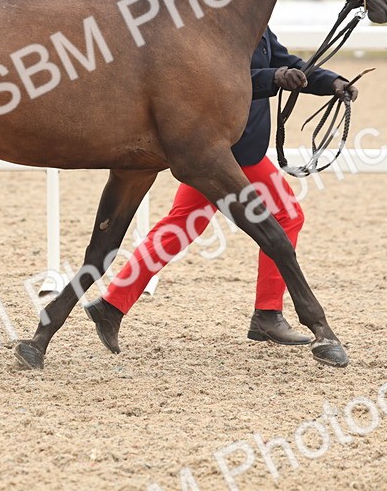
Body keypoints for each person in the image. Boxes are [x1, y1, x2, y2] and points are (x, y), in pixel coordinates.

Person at [83, 26, 359, 353]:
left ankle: (112, 305)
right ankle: (268, 314)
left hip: (222, 152)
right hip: (232, 152)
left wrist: (331, 82)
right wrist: (274, 77)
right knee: (286, 216)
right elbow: (221, 79)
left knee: (181, 225)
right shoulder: (213, 29)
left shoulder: (257, 26)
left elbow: (287, 63)